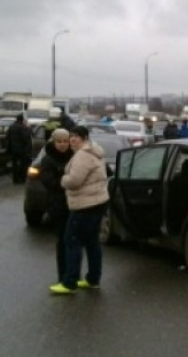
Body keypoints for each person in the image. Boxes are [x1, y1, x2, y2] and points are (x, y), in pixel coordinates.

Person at [51, 126, 110, 295]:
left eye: (75, 137)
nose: (72, 140)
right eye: (71, 137)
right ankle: (93, 279)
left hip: (85, 204)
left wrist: (63, 179)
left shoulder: (82, 155)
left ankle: (69, 282)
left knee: (71, 240)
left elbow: (75, 181)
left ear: (84, 138)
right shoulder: (95, 151)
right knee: (92, 241)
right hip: (98, 201)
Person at [40, 128, 75, 285]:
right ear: (53, 142)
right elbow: (49, 183)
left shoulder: (75, 156)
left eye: (65, 141)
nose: (62, 145)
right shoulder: (48, 160)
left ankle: (74, 275)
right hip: (58, 205)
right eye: (59, 142)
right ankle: (63, 277)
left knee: (74, 242)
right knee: (62, 242)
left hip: (75, 205)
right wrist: (68, 181)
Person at [5, 114, 32, 184]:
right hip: (21, 149)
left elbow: (7, 137)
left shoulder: (11, 127)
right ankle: (22, 178)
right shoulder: (22, 127)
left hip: (12, 149)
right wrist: (28, 130)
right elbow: (25, 138)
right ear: (22, 120)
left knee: (14, 164)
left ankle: (15, 179)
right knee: (23, 164)